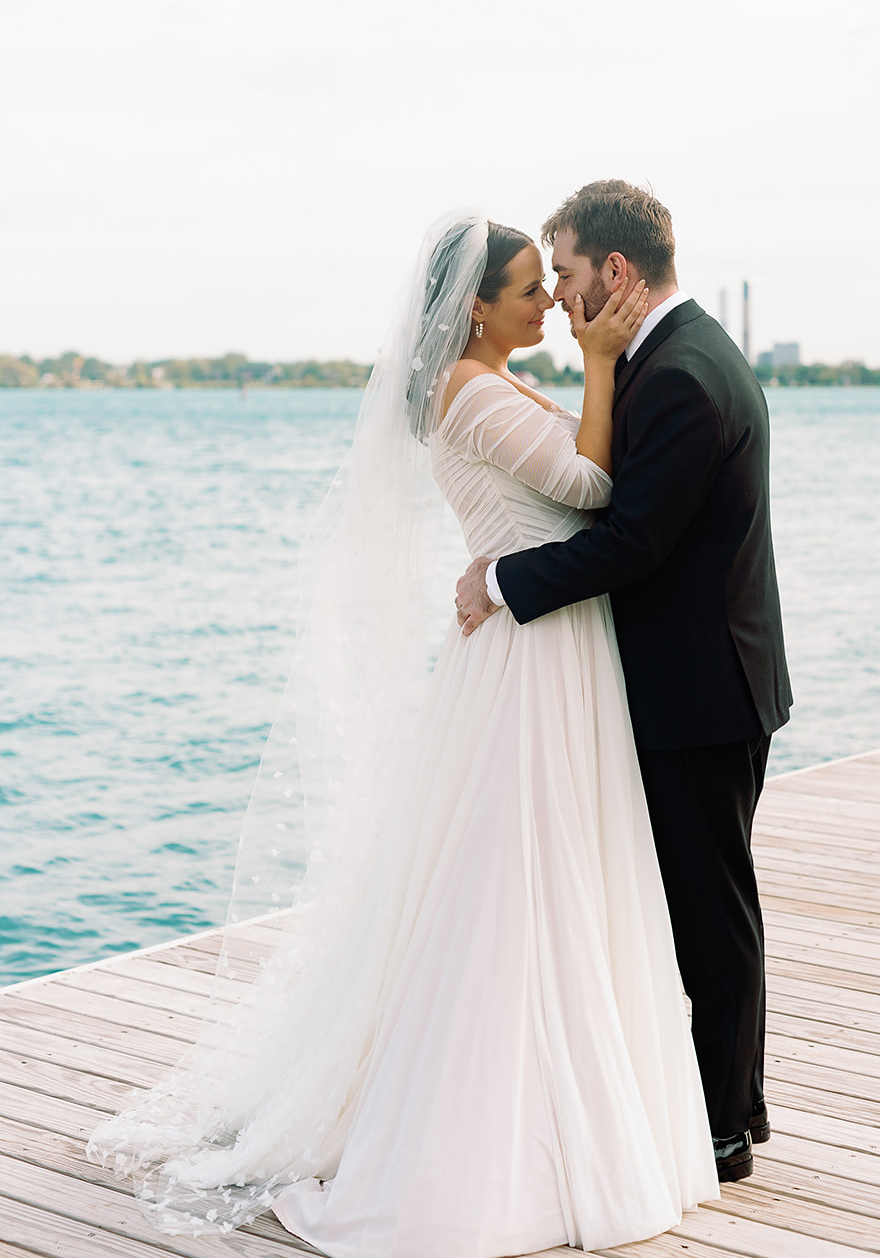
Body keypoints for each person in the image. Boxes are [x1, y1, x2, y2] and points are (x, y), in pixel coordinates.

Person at [88, 213, 719, 1258]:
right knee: (517, 873)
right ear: (475, 307)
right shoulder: (472, 391)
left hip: (549, 644)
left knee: (555, 866)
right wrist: (604, 363)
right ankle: (486, 1122)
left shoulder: (491, 382)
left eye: (548, 283)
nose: (548, 303)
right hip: (529, 661)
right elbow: (590, 487)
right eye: (528, 288)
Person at [455, 181, 793, 1183]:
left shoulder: (682, 373)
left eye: (564, 272)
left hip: (700, 691)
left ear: (616, 269)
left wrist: (501, 581)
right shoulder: (667, 356)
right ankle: (704, 1105)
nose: (559, 295)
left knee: (710, 913)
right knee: (690, 903)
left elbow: (634, 540)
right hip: (693, 679)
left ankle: (725, 1125)